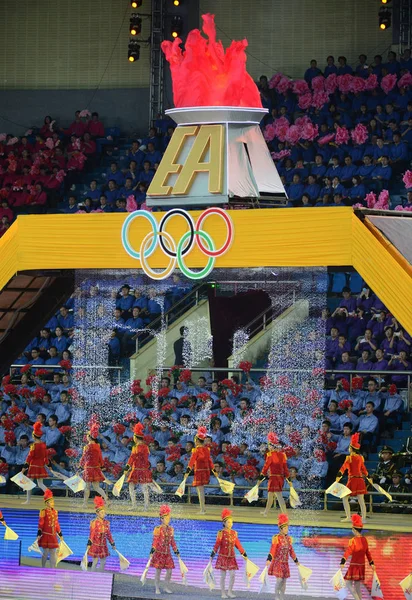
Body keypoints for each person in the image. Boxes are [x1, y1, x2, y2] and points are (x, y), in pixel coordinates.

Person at [210, 508, 247, 599]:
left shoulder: (234, 533)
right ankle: (223, 593)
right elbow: (217, 545)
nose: (231, 524)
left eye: (231, 522)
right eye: (229, 522)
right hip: (223, 557)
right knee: (223, 576)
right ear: (224, 523)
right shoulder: (221, 533)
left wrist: (244, 554)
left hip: (231, 557)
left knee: (233, 574)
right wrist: (212, 555)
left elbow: (238, 545)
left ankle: (230, 591)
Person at [336, 433, 370, 522]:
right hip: (359, 480)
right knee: (361, 500)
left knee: (345, 498)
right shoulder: (360, 458)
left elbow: (343, 467)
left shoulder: (349, 458)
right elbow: (364, 469)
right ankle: (364, 518)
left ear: (351, 448)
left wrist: (339, 475)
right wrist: (368, 476)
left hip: (352, 480)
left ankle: (348, 517)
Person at [340, 514, 375, 600]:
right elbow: (368, 553)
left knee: (348, 583)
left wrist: (342, 562)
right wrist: (372, 563)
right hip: (361, 566)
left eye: (352, 529)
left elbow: (348, 551)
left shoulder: (353, 541)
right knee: (357, 585)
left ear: (355, 530)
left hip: (354, 566)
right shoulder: (364, 540)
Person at [266, 513, 299, 600]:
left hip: (285, 563)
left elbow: (291, 551)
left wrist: (296, 561)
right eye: (285, 528)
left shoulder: (289, 539)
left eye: (287, 528)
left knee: (284, 581)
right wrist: (269, 558)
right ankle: (276, 596)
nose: (287, 529)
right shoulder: (276, 538)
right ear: (281, 529)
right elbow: (273, 549)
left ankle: (282, 597)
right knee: (279, 580)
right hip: (278, 562)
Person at [150, 504, 180, 596]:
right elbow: (155, 542)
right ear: (162, 519)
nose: (168, 520)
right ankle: (157, 587)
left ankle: (166, 586)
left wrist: (176, 552)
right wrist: (152, 552)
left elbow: (172, 542)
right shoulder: (157, 529)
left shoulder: (171, 530)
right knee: (158, 571)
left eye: (169, 518)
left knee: (170, 571)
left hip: (167, 554)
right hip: (159, 554)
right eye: (167, 518)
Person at [184, 425, 214, 515]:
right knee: (202, 491)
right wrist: (214, 472)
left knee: (200, 491)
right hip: (206, 471)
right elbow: (210, 462)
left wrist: (186, 473)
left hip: (199, 472)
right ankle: (203, 508)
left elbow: (191, 462)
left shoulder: (195, 450)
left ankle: (202, 509)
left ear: (196, 441)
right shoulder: (207, 449)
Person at [259, 432, 290, 516]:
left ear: (272, 446)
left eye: (269, 445)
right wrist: (288, 477)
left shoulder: (270, 455)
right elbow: (285, 468)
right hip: (280, 478)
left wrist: (261, 476)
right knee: (270, 496)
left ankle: (285, 514)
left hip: (273, 478)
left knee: (278, 496)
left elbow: (265, 467)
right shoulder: (283, 455)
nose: (268, 447)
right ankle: (266, 512)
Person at [124, 422, 152, 510]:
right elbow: (133, 458)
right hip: (140, 469)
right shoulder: (144, 447)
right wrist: (128, 467)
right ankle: (144, 506)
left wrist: (127, 467)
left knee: (137, 487)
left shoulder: (137, 447)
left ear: (136, 437)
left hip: (138, 469)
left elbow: (132, 458)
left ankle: (137, 505)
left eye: (134, 436)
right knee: (143, 488)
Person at [80, 423, 108, 506]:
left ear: (89, 437)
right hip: (95, 468)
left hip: (88, 468)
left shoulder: (87, 447)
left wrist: (80, 464)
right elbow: (100, 457)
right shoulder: (97, 446)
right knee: (97, 487)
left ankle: (85, 503)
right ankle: (107, 499)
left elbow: (84, 457)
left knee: (87, 487)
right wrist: (101, 465)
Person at [22, 421, 49, 504]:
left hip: (33, 465)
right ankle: (49, 495)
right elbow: (45, 456)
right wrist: (47, 464)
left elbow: (30, 456)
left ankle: (28, 500)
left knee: (29, 483)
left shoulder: (33, 445)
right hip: (41, 465)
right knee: (40, 484)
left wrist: (24, 466)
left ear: (34, 436)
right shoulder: (43, 445)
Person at [86, 496, 116, 571]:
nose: (103, 514)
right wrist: (89, 544)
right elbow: (92, 534)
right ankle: (92, 576)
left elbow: (109, 534)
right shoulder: (94, 523)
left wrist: (112, 543)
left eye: (104, 513)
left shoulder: (106, 523)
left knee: (103, 562)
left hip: (103, 546)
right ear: (97, 513)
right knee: (95, 562)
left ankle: (100, 575)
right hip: (96, 546)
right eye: (102, 512)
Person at [37, 489, 63, 568]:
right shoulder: (43, 511)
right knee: (45, 552)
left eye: (53, 502)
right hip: (46, 535)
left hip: (53, 535)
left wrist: (60, 533)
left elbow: (56, 523)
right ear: (47, 503)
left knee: (53, 552)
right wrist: (39, 532)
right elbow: (41, 523)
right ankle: (43, 567)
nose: (53, 503)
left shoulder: (55, 512)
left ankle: (53, 568)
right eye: (51, 502)